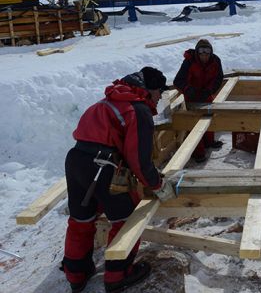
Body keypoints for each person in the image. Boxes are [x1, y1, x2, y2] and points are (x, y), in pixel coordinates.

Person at [61, 67, 176, 293]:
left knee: (80, 219)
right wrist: (157, 184)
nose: (159, 98)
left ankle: (76, 274)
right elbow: (139, 160)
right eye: (159, 93)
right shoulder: (138, 109)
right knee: (126, 220)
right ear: (150, 90)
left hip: (76, 161)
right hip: (104, 166)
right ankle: (118, 275)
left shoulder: (106, 102)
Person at [173, 39, 224, 162]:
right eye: (201, 53)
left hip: (206, 94)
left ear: (210, 53)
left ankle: (209, 142)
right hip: (192, 96)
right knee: (194, 122)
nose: (204, 56)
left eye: (207, 53)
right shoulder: (189, 62)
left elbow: (219, 78)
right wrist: (188, 89)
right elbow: (178, 81)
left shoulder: (216, 61)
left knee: (208, 117)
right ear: (197, 53)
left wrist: (210, 90)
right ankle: (198, 151)